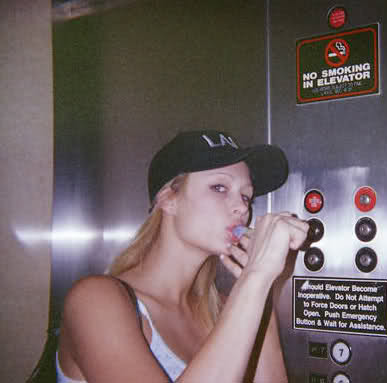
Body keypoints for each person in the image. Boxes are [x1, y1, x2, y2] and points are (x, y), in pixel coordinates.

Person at [56, 130, 309, 383]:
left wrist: (260, 290)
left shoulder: (223, 311)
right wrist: (256, 278)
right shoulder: (95, 301)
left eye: (246, 196)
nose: (243, 208)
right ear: (168, 200)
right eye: (219, 187)